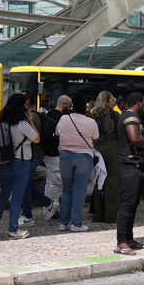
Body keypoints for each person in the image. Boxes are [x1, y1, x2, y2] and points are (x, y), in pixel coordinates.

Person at [0, 93, 38, 239]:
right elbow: (37, 138)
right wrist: (31, 121)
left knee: (3, 195)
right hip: (21, 162)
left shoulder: (4, 124)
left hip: (5, 163)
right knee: (17, 197)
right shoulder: (22, 124)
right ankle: (13, 230)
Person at [115, 92, 144, 255]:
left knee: (133, 205)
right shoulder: (131, 117)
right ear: (138, 103)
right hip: (129, 166)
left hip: (134, 166)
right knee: (127, 205)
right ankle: (122, 242)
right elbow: (135, 138)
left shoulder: (129, 116)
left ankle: (129, 239)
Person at [56, 91, 99, 232]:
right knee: (80, 191)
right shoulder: (91, 122)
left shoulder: (64, 119)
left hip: (65, 156)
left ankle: (63, 222)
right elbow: (95, 138)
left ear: (73, 105)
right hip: (84, 157)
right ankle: (77, 223)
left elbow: (57, 133)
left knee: (67, 190)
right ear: (85, 106)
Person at [19, 96, 54, 228]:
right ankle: (47, 204)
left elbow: (34, 137)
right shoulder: (34, 115)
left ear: (27, 103)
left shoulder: (31, 117)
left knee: (25, 184)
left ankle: (28, 214)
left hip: (33, 154)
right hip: (36, 154)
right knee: (26, 183)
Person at [40, 95, 73, 221]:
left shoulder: (48, 115)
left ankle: (50, 207)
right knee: (55, 183)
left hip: (48, 153)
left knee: (51, 181)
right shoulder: (62, 118)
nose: (70, 108)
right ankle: (50, 209)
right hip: (56, 153)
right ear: (64, 104)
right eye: (69, 106)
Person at [90, 91, 121, 224]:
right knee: (113, 181)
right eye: (113, 100)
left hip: (98, 148)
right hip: (113, 148)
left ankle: (98, 214)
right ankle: (111, 215)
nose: (115, 103)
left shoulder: (93, 115)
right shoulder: (116, 115)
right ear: (107, 102)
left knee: (99, 180)